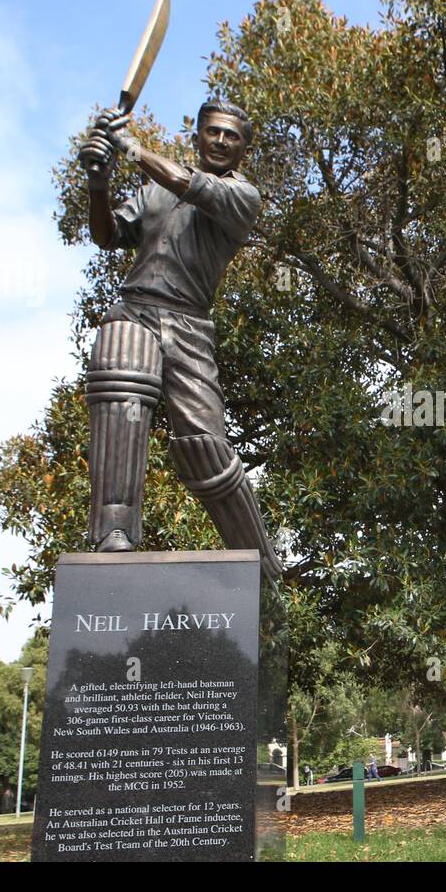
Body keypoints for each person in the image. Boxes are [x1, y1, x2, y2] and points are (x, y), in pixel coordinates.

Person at [76, 99, 282, 581]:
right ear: (198, 135)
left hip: (189, 325)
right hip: (136, 309)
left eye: (233, 136)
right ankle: (113, 531)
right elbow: (107, 235)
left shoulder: (239, 196)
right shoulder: (154, 192)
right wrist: (98, 184)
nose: (222, 141)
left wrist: (128, 146)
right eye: (214, 132)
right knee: (119, 390)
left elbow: (187, 183)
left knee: (202, 446)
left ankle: (260, 568)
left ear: (243, 149)